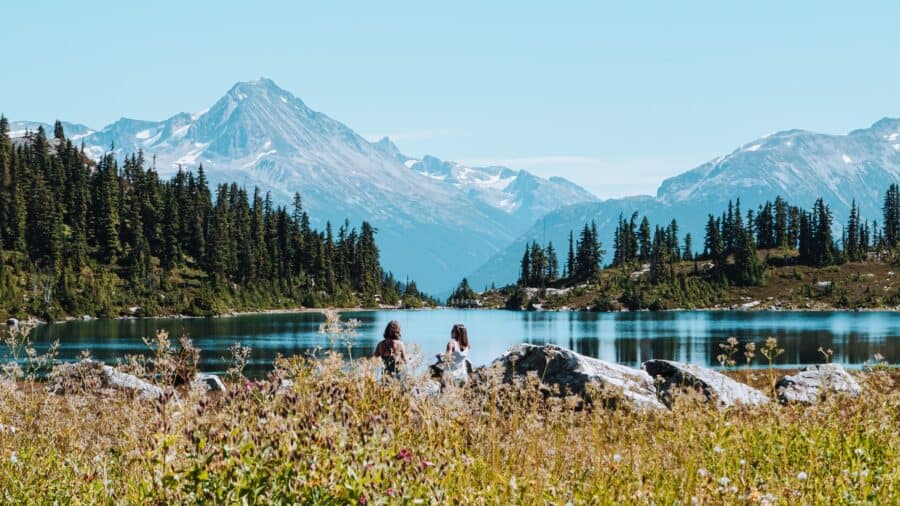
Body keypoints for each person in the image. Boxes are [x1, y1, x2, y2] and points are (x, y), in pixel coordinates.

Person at [440, 323, 471, 387]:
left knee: (445, 395)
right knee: (460, 395)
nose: (451, 332)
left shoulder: (451, 343)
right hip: (462, 375)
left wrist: (441, 355)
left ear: (457, 333)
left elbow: (447, 358)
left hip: (451, 376)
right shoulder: (467, 345)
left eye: (452, 330)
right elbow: (459, 356)